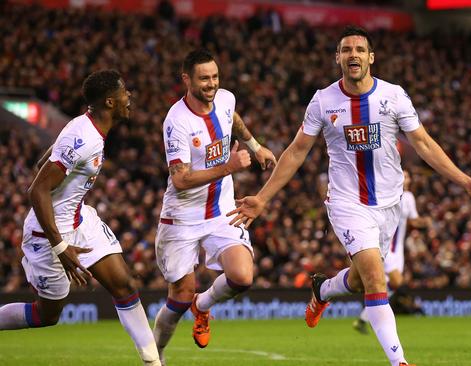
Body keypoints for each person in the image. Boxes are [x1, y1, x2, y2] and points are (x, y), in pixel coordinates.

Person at [227, 26, 471, 366]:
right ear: (338, 58)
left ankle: (323, 290)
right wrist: (264, 197)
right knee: (375, 276)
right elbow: (297, 152)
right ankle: (399, 361)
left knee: (359, 280)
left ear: (371, 57)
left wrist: (464, 181)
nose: (353, 55)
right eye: (346, 50)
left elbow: (424, 143)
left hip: (389, 204)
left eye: (359, 49)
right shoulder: (324, 100)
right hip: (347, 202)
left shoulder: (394, 96)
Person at [0, 70, 161, 365]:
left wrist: (57, 158)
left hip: (79, 220)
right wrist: (61, 248)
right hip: (48, 235)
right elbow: (37, 191)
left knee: (124, 284)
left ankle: (154, 362)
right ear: (110, 102)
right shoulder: (84, 137)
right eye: (125, 92)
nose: (130, 97)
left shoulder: (85, 129)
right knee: (46, 315)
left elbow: (43, 163)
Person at [152, 49, 276, 364]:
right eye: (204, 78)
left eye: (215, 77)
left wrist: (255, 146)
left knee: (243, 276)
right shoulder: (176, 121)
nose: (211, 84)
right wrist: (229, 166)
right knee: (178, 296)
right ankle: (155, 357)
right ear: (186, 79)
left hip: (221, 211)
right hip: (182, 218)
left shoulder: (225, 99)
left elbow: (233, 118)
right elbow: (180, 179)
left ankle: (203, 306)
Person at [353, 170, 430, 334]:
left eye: (408, 176)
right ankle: (376, 318)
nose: (406, 179)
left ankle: (363, 318)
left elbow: (414, 220)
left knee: (389, 286)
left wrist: (425, 221)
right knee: (396, 282)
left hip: (399, 249)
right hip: (386, 246)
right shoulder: (387, 194)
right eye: (403, 175)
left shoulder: (409, 197)